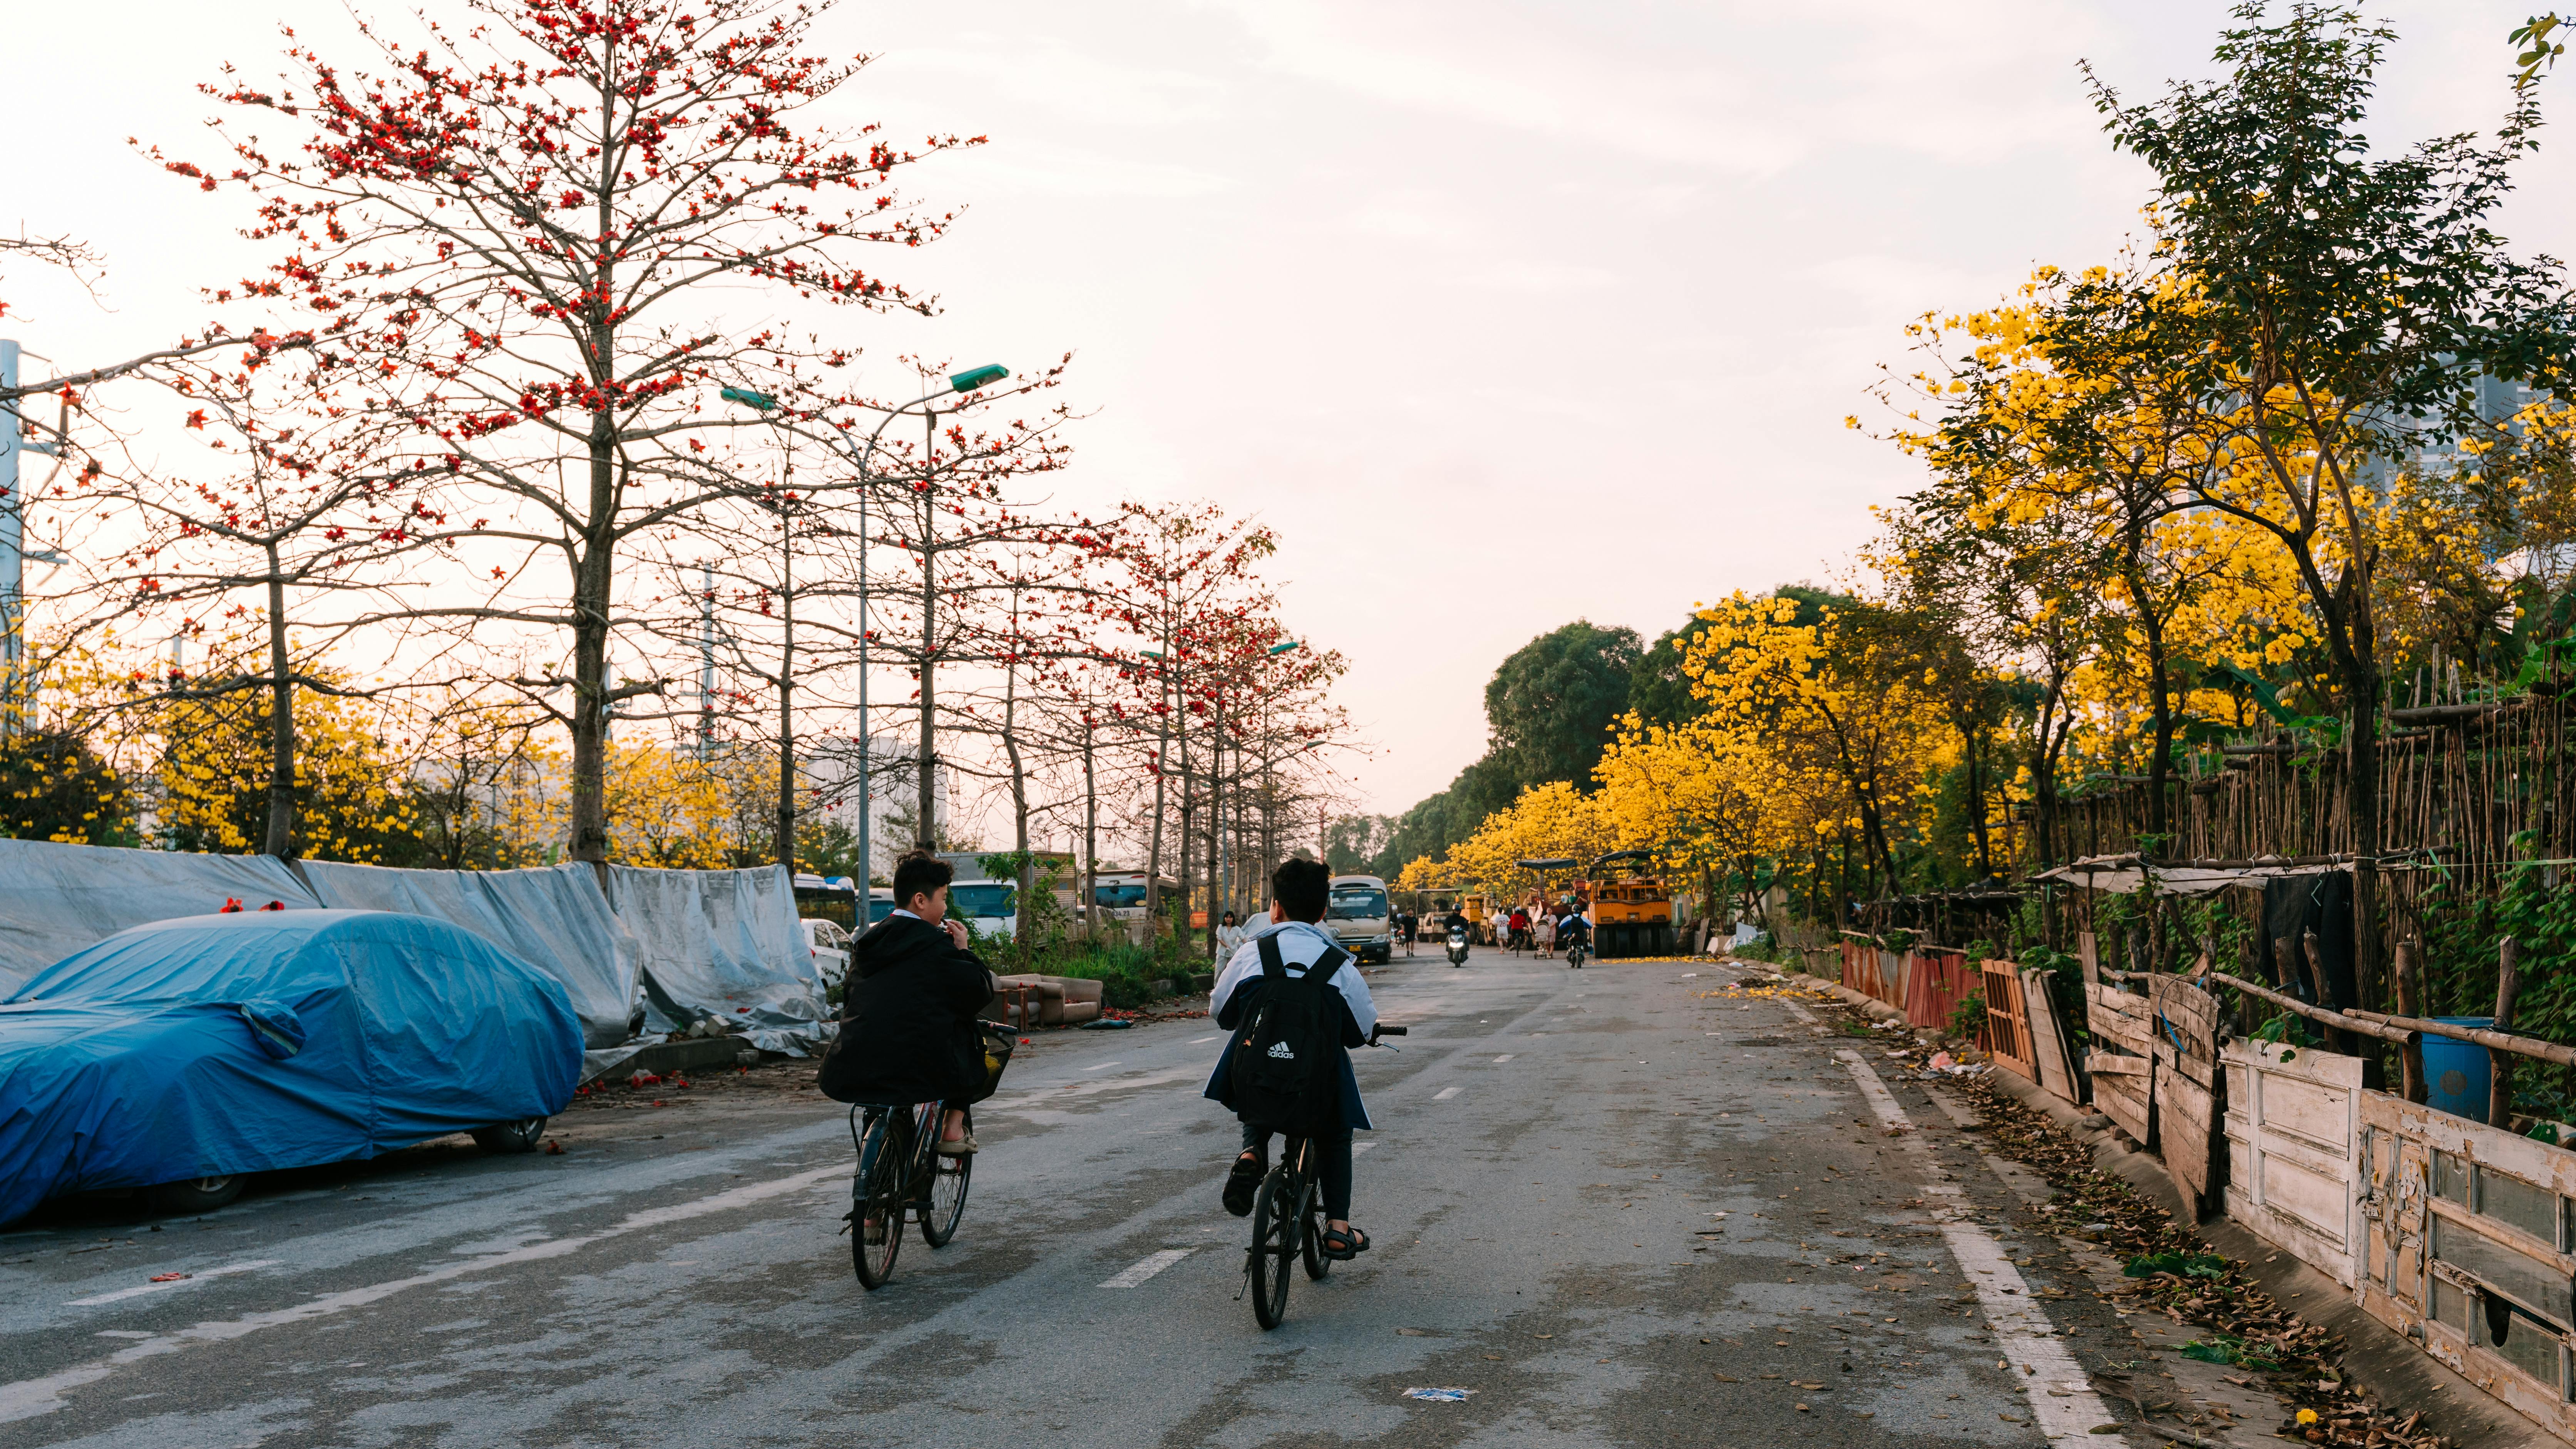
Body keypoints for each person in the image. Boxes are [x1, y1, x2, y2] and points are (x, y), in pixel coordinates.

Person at [1205, 857, 1379, 1260]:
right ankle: (1337, 1228)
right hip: (1315, 1084)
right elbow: (1361, 1031)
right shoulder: (1338, 964)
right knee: (1335, 1132)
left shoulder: (1252, 953)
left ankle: (1252, 1151)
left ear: (1275, 907)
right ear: (1322, 912)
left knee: (1258, 1076)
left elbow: (1220, 1011)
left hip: (1255, 1076)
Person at [822, 852, 998, 1166]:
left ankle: (876, 1185)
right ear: (920, 900)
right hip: (919, 1065)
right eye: (943, 899)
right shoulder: (936, 945)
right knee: (969, 1032)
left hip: (857, 1061)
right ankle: (952, 1129)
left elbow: (851, 998)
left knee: (878, 1098)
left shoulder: (869, 942)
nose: (945, 908)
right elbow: (978, 993)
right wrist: (963, 950)